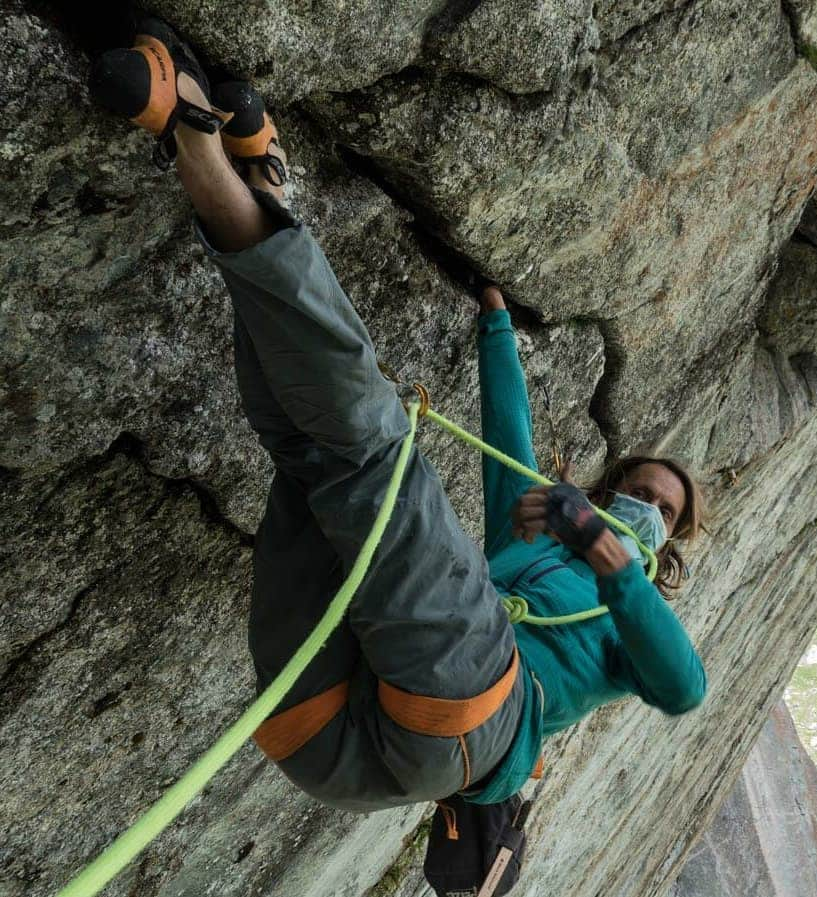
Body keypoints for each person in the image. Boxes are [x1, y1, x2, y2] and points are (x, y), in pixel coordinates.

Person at [90, 19, 707, 817]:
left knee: (372, 440)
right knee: (309, 455)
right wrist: (494, 324)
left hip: (466, 715)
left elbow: (684, 688)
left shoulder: (628, 622)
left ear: (670, 537)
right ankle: (250, 184)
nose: (643, 509)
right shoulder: (534, 543)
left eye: (661, 509)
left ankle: (205, 139)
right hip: (333, 735)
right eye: (637, 490)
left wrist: (604, 549)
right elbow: (507, 444)